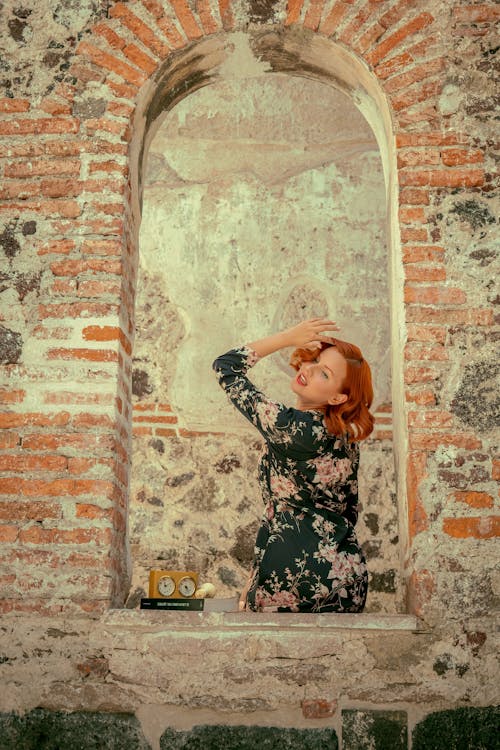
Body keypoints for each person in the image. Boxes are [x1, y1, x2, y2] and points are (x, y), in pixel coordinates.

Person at [212, 318, 374, 613]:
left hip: (295, 581)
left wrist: (288, 337)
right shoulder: (344, 439)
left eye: (323, 373)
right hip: (345, 579)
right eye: (314, 361)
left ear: (338, 396)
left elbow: (226, 365)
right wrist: (256, 577)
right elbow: (347, 512)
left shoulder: (291, 427)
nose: (308, 369)